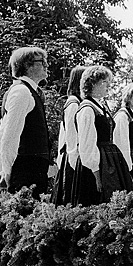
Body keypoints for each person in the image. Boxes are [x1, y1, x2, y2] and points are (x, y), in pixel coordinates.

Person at [0, 47, 50, 266]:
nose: (46, 65)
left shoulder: (32, 91)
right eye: (40, 62)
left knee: (18, 231)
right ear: (25, 66)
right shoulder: (21, 92)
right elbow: (8, 135)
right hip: (23, 173)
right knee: (22, 235)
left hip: (32, 171)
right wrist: (4, 172)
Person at [70, 66, 133, 206]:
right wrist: (96, 173)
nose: (108, 86)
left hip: (109, 160)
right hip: (96, 165)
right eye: (104, 82)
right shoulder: (87, 109)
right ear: (92, 83)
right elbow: (87, 144)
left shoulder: (101, 106)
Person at [52, 65, 86, 205]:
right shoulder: (73, 104)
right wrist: (74, 166)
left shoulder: (81, 103)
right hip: (73, 160)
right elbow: (70, 137)